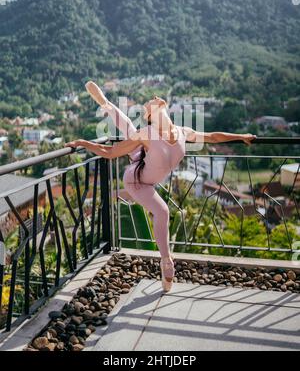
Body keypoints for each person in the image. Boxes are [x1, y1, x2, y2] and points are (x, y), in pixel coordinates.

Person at [65, 81, 256, 292]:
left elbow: (212, 137)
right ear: (149, 115)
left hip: (145, 160)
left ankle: (105, 102)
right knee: (162, 211)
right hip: (137, 180)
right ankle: (166, 261)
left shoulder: (183, 132)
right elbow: (110, 153)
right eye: (150, 102)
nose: (154, 98)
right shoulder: (147, 132)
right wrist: (83, 143)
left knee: (129, 127)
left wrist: (241, 136)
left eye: (154, 99)